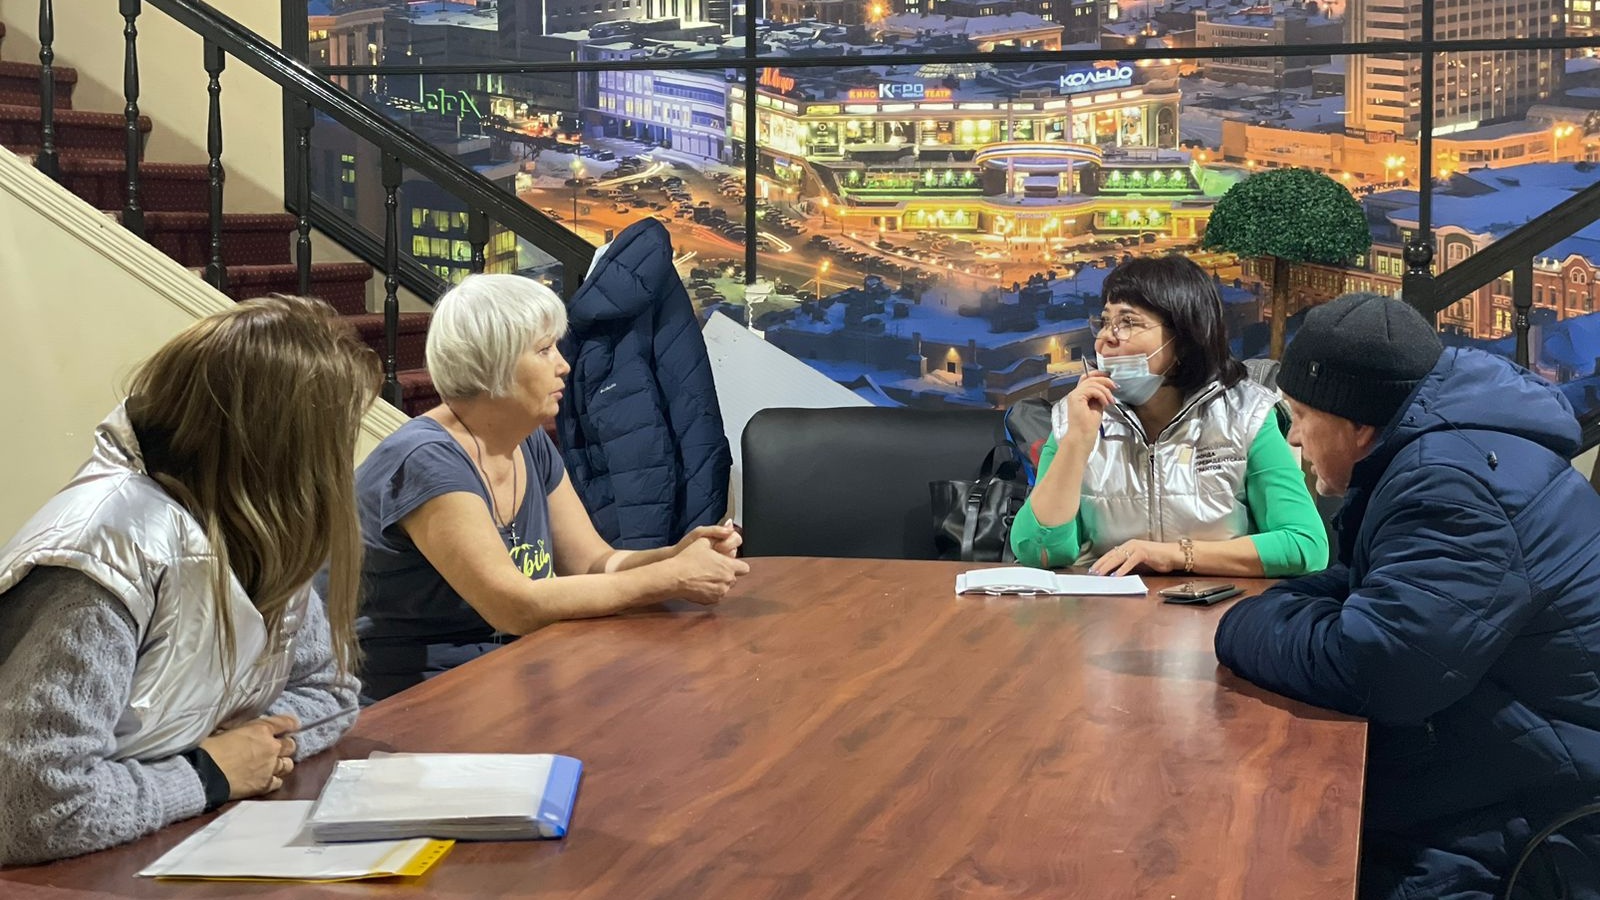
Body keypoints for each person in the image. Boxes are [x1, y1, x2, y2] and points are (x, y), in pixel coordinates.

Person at [1214, 292, 1600, 899]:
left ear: (1359, 425)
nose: (1297, 439)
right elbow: (1369, 590)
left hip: (1540, 818)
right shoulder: (1449, 451)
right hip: (1509, 759)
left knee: (1271, 846)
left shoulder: (1452, 486)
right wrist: (1284, 607)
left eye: (1302, 416)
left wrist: (1238, 623)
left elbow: (1377, 666)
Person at [0, 295, 377, 865]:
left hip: (151, 851)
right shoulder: (100, 561)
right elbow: (33, 807)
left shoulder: (262, 533)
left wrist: (248, 749)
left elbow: (329, 693)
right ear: (284, 452)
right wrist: (208, 773)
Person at [353, 274, 748, 701]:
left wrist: (676, 556)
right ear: (491, 364)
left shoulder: (527, 441)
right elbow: (513, 606)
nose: (564, 365)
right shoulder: (425, 460)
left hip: (503, 673)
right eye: (544, 350)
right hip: (410, 699)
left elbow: (593, 563)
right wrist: (668, 578)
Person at [1008, 255, 1327, 578]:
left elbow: (1304, 545)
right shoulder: (1077, 417)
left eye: (1128, 322)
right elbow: (1039, 552)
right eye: (1104, 322)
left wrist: (1175, 555)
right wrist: (1076, 442)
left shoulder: (1247, 414)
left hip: (1223, 605)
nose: (1106, 338)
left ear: (1184, 340)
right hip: (1106, 606)